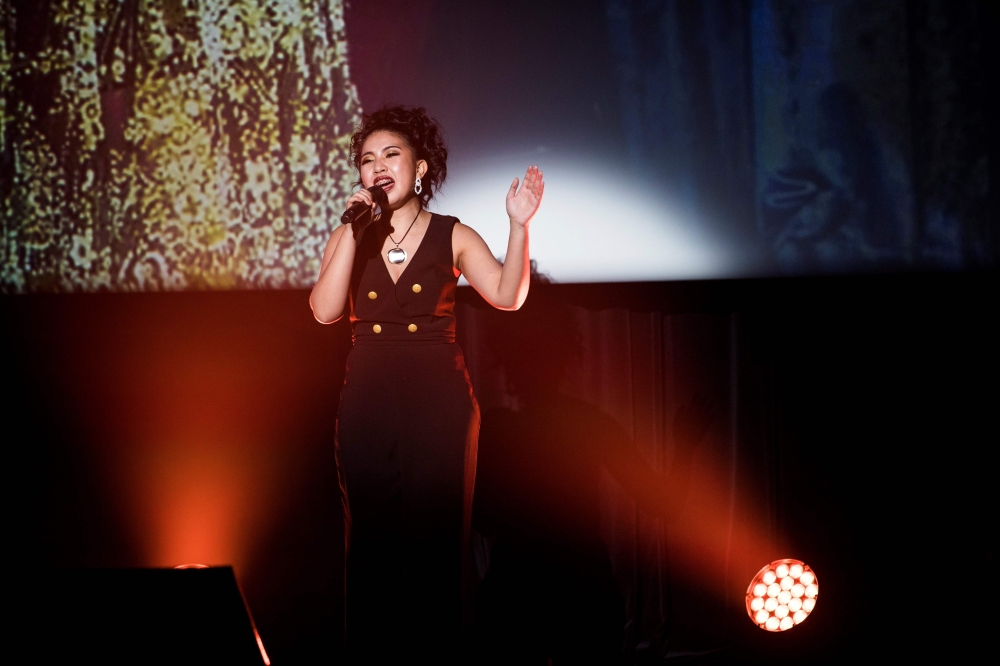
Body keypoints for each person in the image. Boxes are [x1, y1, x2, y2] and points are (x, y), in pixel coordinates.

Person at [309, 105, 544, 661]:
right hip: (366, 397)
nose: (377, 167)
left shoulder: (452, 234)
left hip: (439, 402)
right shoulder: (351, 235)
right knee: (369, 544)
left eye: (391, 154)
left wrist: (518, 225)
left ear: (419, 169)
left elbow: (507, 295)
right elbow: (322, 311)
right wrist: (350, 225)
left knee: (439, 545)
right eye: (367, 160)